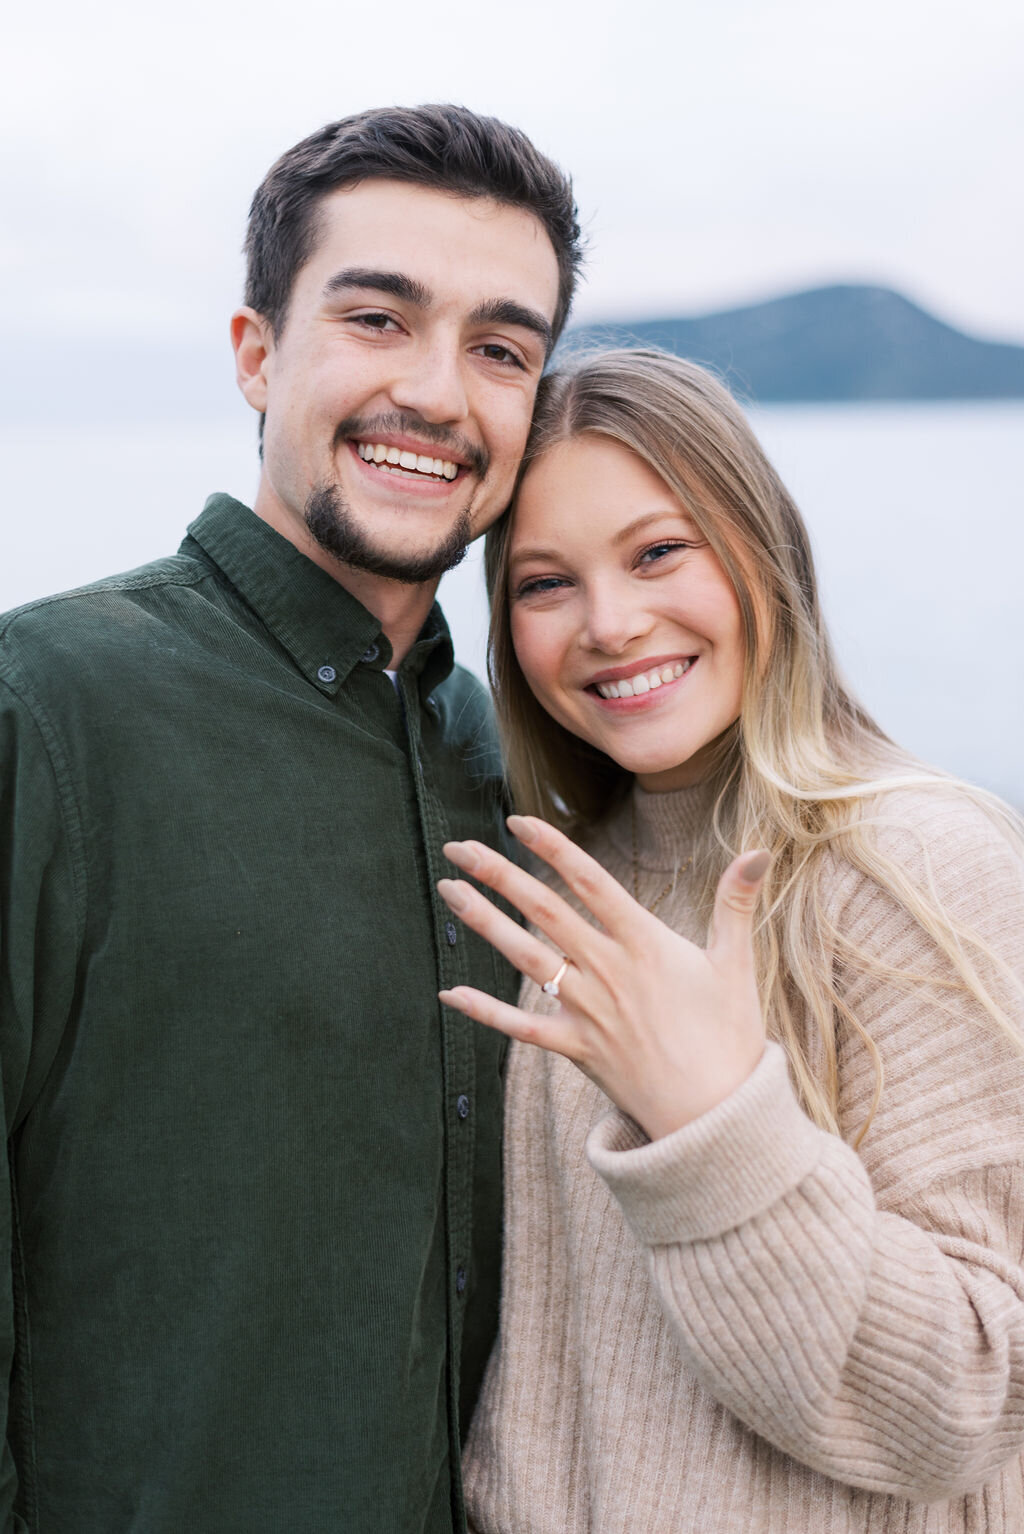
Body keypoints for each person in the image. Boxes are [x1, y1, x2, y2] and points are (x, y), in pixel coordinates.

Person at [0, 105, 581, 1533]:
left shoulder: (534, 762)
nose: (440, 394)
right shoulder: (44, 705)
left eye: (501, 349)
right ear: (258, 351)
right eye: (379, 318)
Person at [435, 349, 1024, 1531]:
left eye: (659, 552)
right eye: (545, 583)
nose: (610, 622)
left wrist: (712, 1120)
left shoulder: (914, 859)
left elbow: (967, 1397)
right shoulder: (567, 878)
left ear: (763, 550)